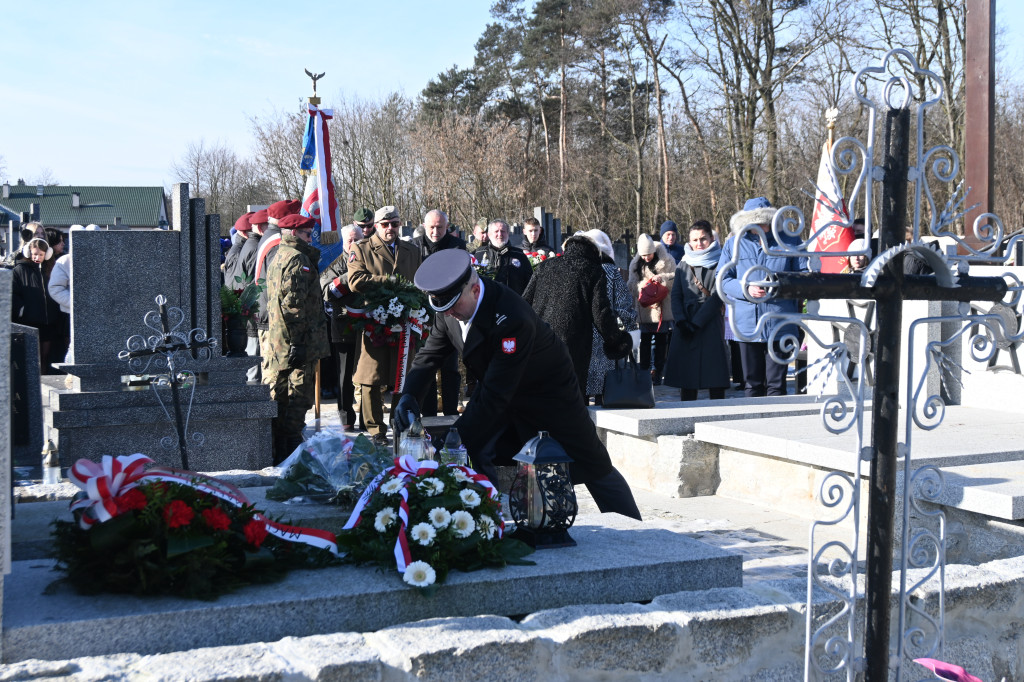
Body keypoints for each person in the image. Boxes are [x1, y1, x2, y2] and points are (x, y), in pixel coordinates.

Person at [396, 249, 642, 520]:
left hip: (548, 395)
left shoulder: (510, 315)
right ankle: (487, 519)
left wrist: (452, 441)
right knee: (479, 446)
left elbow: (494, 395)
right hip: (501, 391)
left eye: (453, 305)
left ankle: (640, 533)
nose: (449, 313)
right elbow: (429, 356)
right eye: (442, 307)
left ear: (475, 290)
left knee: (592, 463)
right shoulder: (449, 309)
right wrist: (409, 395)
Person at [347, 205, 422, 444]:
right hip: (375, 321)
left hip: (405, 321)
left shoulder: (412, 250)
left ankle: (400, 424)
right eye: (385, 224)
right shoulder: (361, 248)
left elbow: (420, 282)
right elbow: (355, 281)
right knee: (372, 376)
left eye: (395, 224)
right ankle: (375, 429)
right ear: (376, 226)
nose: (390, 228)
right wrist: (388, 281)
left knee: (403, 375)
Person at [523, 232, 632, 395]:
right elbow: (601, 314)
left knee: (542, 395)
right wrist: (617, 341)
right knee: (569, 399)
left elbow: (524, 302)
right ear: (595, 252)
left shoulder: (545, 266)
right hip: (572, 346)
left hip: (540, 341)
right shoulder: (593, 270)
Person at [718, 196, 804, 397]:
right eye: (754, 223)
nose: (759, 227)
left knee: (776, 386)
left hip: (779, 322)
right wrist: (745, 289)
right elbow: (721, 279)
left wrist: (777, 285)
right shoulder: (733, 244)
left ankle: (776, 426)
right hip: (747, 324)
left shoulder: (790, 241)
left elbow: (803, 277)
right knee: (752, 385)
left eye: (764, 222)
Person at [263, 213, 330, 463]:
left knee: (282, 394)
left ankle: (282, 447)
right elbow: (293, 305)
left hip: (282, 340)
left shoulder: (278, 255)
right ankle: (289, 453)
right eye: (305, 233)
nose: (310, 238)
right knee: (297, 395)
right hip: (297, 342)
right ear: (292, 233)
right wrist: (299, 343)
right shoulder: (297, 258)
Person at [663, 221, 730, 401]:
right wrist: (682, 321)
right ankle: (687, 413)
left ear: (711, 238)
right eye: (694, 240)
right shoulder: (684, 263)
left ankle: (719, 416)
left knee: (714, 374)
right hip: (685, 323)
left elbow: (717, 296)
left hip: (709, 323)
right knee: (687, 375)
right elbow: (676, 295)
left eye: (703, 239)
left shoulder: (721, 262)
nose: (699, 243)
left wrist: (696, 323)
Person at [411, 209, 465, 416]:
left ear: (446, 227)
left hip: (449, 311)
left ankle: (451, 412)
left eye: (440, 227)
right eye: (432, 227)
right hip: (422, 314)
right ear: (424, 226)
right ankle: (429, 413)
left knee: (450, 366)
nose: (435, 231)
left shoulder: (457, 247)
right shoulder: (414, 247)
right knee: (427, 364)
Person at [579, 229, 638, 403]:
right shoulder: (611, 271)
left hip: (583, 337)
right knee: (603, 391)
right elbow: (623, 305)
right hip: (606, 335)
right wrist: (629, 331)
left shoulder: (580, 269)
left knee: (582, 391)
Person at [321, 224, 363, 428]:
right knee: (344, 376)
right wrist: (350, 277)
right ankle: (346, 418)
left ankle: (367, 418)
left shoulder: (370, 260)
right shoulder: (335, 265)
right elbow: (326, 291)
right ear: (343, 243)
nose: (354, 244)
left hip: (369, 326)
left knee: (367, 375)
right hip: (344, 327)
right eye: (350, 240)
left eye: (358, 240)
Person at [255, 199, 302, 378]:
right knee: (274, 373)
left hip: (266, 310)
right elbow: (280, 282)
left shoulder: (268, 236)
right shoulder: (278, 242)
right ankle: (271, 407)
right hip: (272, 315)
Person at [627, 233, 675, 385]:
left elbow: (676, 277)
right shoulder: (635, 265)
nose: (646, 258)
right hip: (645, 309)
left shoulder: (667, 260)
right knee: (645, 342)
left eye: (649, 254)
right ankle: (645, 373)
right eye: (643, 255)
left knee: (661, 342)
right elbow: (631, 284)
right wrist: (644, 288)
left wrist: (662, 279)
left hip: (663, 308)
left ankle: (658, 372)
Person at [12, 234, 60, 372]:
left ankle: (43, 378)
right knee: (32, 356)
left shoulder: (51, 269)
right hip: (30, 321)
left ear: (46, 254)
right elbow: (14, 293)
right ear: (29, 253)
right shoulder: (19, 270)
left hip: (48, 321)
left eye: (40, 254)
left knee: (45, 356)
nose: (37, 257)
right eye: (34, 254)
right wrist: (22, 309)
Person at [473, 219, 532, 296]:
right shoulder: (478, 254)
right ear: (489, 234)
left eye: (503, 231)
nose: (500, 234)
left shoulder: (519, 255)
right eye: (496, 231)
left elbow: (530, 284)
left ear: (508, 233)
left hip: (513, 304)